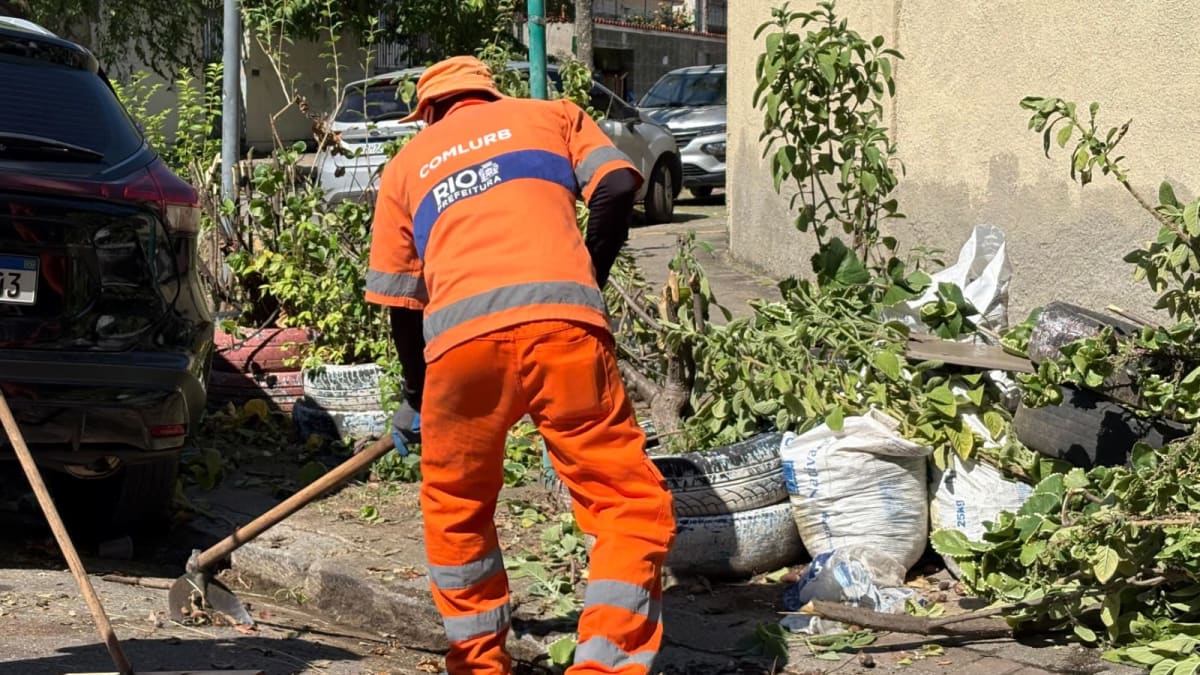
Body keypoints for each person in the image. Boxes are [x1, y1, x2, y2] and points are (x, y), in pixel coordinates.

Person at [365, 55, 677, 675]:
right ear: (488, 91)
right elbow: (617, 186)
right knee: (626, 503)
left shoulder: (406, 166)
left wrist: (416, 393)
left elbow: (401, 299)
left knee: (457, 508)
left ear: (426, 111)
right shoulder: (551, 115)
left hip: (459, 352)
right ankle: (605, 666)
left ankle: (479, 664)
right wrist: (590, 270)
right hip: (565, 334)